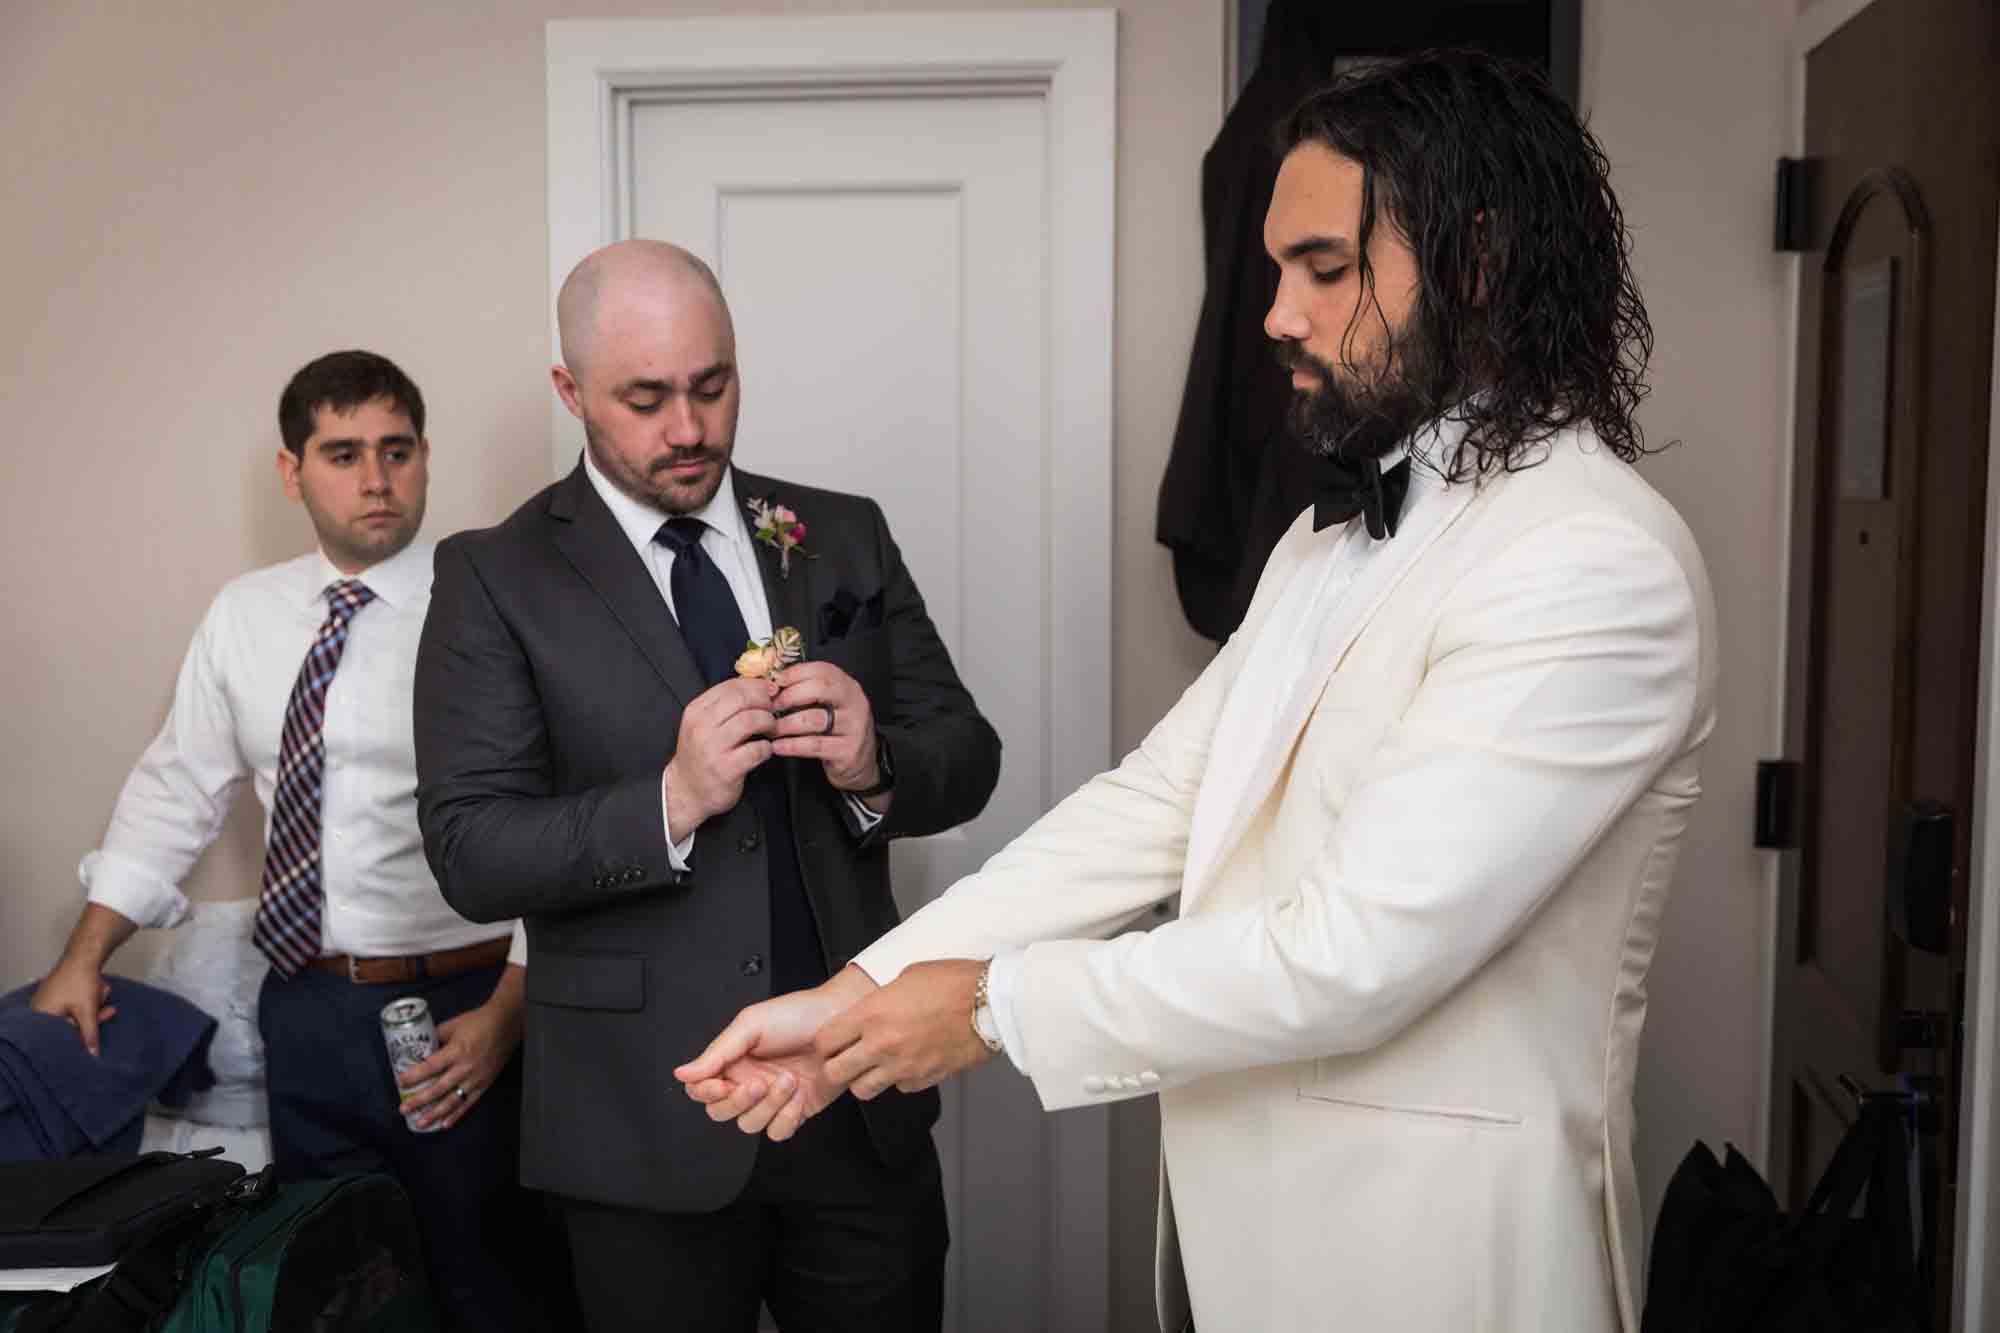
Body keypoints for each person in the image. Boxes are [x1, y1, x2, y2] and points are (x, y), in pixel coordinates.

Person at [678, 51, 1718, 1333]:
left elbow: (1358, 952)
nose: (1274, 313)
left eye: (1322, 268)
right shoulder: (1319, 542)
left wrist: (992, 1011)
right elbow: (1155, 803)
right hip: (1250, 1255)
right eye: (1277, 268)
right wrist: (865, 992)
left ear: (1481, 263)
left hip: (1441, 1259)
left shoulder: (1591, 558)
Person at [412, 240, 1001, 1333]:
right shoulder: (495, 575)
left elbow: (969, 754)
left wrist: (877, 763)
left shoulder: (839, 533)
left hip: (853, 1092)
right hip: (643, 1125)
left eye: (711, 386)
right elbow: (469, 851)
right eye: (645, 398)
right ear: (569, 389)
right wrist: (667, 801)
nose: (688, 429)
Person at [30, 350, 553, 1332]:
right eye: (344, 452)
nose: (376, 478)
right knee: (331, 1285)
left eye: (396, 451)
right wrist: (82, 956)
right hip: (307, 1011)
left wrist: (511, 1008)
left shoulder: (488, 601)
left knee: (489, 1286)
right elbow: (176, 785)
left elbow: (542, 814)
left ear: (425, 457)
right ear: (292, 470)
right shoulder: (246, 615)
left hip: (461, 1008)